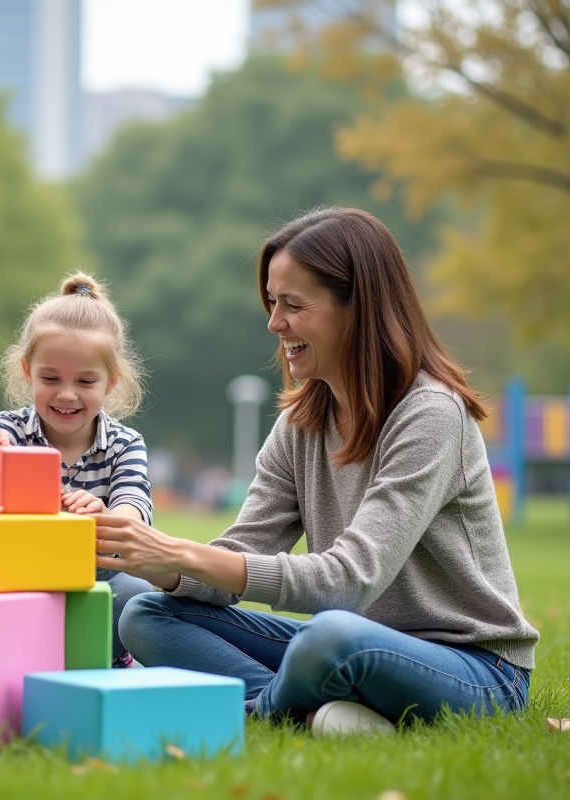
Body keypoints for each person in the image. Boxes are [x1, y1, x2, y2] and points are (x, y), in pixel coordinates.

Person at [99, 208, 539, 737]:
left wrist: (179, 553)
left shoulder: (431, 414)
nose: (274, 323)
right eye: (272, 303)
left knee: (329, 636)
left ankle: (265, 710)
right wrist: (148, 560)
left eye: (293, 305)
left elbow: (349, 581)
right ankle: (307, 708)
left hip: (475, 669)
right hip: (352, 642)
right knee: (146, 614)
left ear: (358, 309)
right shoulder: (300, 424)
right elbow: (245, 549)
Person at [0, 272, 154, 667]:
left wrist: (103, 518)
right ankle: (16, 665)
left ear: (111, 382)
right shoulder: (9, 431)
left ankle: (93, 664)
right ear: (27, 371)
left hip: (95, 576)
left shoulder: (125, 444)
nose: (67, 394)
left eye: (85, 381)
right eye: (50, 378)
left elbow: (134, 516)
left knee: (138, 595)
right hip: (19, 572)